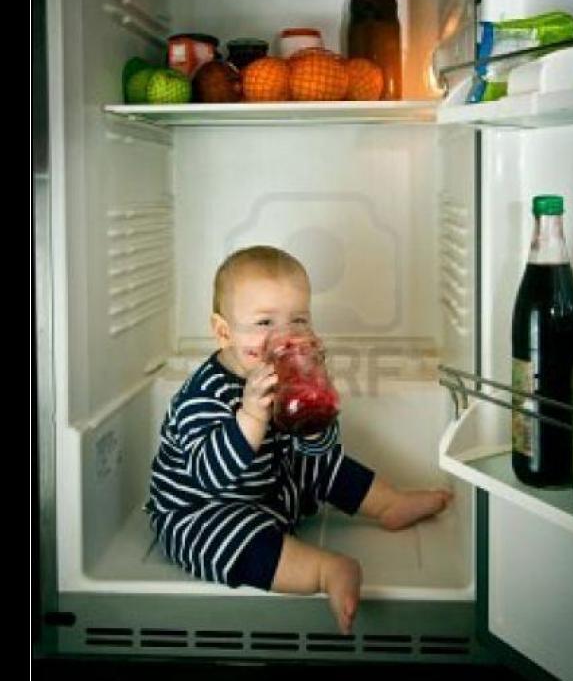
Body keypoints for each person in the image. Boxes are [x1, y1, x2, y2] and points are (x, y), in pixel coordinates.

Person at [146, 246, 452, 634]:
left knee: (322, 462)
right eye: (264, 323)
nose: (285, 337)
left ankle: (390, 502)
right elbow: (211, 478)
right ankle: (326, 570)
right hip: (204, 507)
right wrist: (252, 416)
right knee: (224, 537)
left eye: (299, 320)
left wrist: (315, 416)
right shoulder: (203, 397)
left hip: (269, 490)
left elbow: (315, 452)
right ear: (224, 332)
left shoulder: (285, 376)